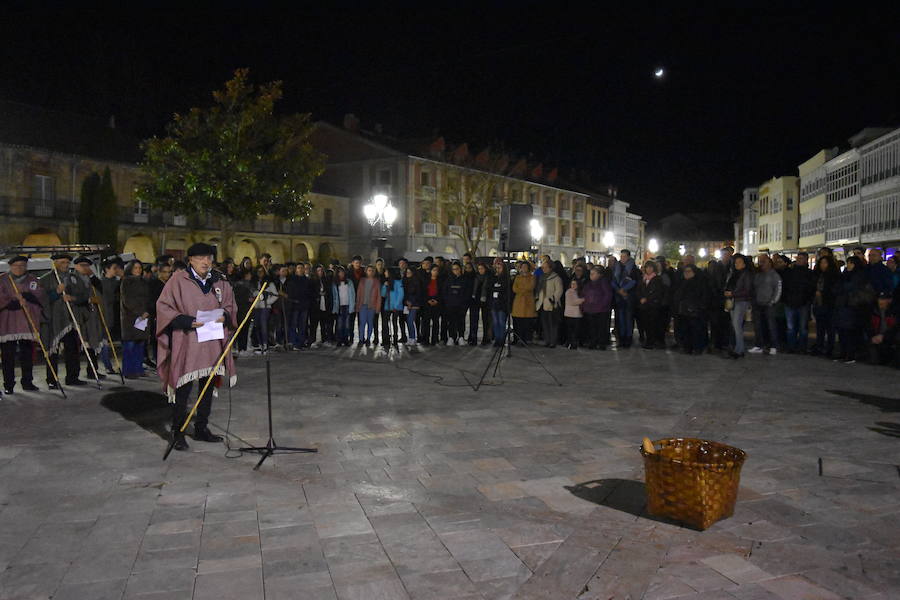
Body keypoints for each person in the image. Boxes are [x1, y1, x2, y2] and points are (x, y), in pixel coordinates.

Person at [156, 242, 236, 451]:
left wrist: (225, 315)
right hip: (187, 340)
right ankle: (178, 431)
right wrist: (186, 321)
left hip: (211, 342)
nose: (206, 262)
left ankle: (201, 428)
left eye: (209, 258)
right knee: (183, 388)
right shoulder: (177, 281)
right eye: (201, 258)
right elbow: (163, 307)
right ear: (190, 260)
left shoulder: (220, 281)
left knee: (207, 387)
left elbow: (230, 305)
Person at [0, 256, 45, 393]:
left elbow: (39, 295)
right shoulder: (3, 280)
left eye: (22, 265)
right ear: (10, 266)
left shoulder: (33, 280)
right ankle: (8, 385)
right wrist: (13, 302)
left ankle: (27, 382)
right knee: (8, 356)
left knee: (27, 355)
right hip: (8, 323)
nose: (19, 268)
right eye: (16, 265)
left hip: (26, 322)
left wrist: (26, 296)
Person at [834, 255, 872, 364]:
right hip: (842, 305)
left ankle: (850, 354)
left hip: (852, 307)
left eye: (850, 263)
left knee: (850, 332)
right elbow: (838, 287)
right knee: (842, 331)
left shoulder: (859, 276)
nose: (848, 265)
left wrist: (843, 288)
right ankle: (843, 352)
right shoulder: (845, 274)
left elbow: (849, 287)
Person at [120, 259, 151, 378]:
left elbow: (148, 297)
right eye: (135, 268)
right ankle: (129, 371)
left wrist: (147, 311)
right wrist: (140, 312)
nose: (138, 270)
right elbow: (127, 300)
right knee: (130, 345)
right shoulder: (126, 282)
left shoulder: (144, 281)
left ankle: (138, 369)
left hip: (144, 317)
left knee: (140, 345)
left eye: (139, 268)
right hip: (131, 317)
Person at [781, 252, 816, 353]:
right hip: (790, 302)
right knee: (791, 327)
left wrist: (807, 300)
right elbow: (785, 286)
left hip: (803, 303)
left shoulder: (809, 273)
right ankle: (791, 347)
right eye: (798, 258)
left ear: (806, 260)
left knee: (802, 328)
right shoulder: (790, 272)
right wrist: (786, 299)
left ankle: (801, 347)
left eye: (801, 259)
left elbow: (811, 288)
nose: (799, 260)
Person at [748, 255, 782, 355]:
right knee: (758, 326)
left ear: (769, 262)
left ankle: (774, 346)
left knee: (771, 326)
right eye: (760, 261)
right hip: (758, 304)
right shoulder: (758, 275)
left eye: (763, 261)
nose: (761, 263)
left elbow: (778, 289)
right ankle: (759, 345)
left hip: (769, 304)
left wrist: (773, 302)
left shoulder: (774, 275)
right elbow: (754, 288)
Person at [672, 264, 709, 354]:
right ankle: (687, 347)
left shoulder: (700, 283)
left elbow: (704, 296)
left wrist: (699, 306)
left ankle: (697, 348)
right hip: (684, 311)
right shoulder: (682, 282)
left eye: (689, 271)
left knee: (696, 330)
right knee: (685, 329)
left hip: (696, 311)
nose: (687, 274)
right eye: (685, 272)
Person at [810, 254, 840, 358]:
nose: (823, 265)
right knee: (820, 328)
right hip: (818, 304)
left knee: (830, 328)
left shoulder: (833, 276)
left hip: (829, 304)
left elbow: (835, 291)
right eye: (821, 263)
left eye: (825, 263)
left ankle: (829, 348)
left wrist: (823, 293)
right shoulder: (817, 275)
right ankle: (819, 346)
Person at [725, 254, 754, 359]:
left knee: (737, 326)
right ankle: (738, 348)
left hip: (741, 301)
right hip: (733, 301)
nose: (737, 264)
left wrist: (733, 294)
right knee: (735, 325)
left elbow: (747, 290)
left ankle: (739, 350)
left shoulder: (746, 274)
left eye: (739, 262)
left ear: (745, 264)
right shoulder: (734, 274)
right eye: (736, 262)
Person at [611, 249, 639, 348]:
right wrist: (618, 290)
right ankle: (621, 338)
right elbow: (613, 280)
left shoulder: (633, 268)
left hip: (629, 296)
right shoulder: (616, 267)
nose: (622, 258)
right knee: (620, 318)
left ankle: (628, 338)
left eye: (624, 256)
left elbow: (635, 281)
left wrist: (624, 289)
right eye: (621, 256)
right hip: (619, 296)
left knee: (628, 318)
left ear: (628, 257)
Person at [581, 266, 613, 350]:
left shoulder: (603, 283)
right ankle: (593, 342)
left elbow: (607, 295)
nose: (591, 276)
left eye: (593, 274)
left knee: (601, 327)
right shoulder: (588, 284)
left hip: (601, 309)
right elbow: (584, 295)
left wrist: (602, 305)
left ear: (599, 275)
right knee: (592, 327)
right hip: (590, 309)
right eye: (590, 274)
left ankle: (601, 343)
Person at [636, 260, 665, 349]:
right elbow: (638, 290)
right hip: (644, 306)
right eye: (647, 267)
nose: (648, 269)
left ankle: (652, 341)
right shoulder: (643, 278)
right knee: (646, 324)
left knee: (653, 324)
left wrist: (647, 298)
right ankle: (648, 340)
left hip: (653, 305)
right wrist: (640, 298)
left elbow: (658, 292)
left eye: (650, 267)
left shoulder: (657, 279)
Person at [536, 258, 563, 348]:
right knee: (545, 323)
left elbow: (559, 290)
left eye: (545, 267)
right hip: (542, 303)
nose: (543, 269)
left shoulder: (556, 278)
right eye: (543, 267)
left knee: (552, 324)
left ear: (550, 268)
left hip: (552, 304)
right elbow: (539, 290)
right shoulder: (542, 278)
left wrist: (553, 299)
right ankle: (547, 340)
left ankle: (552, 341)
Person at [867, 292, 898, 366]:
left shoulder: (894, 311)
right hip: (878, 336)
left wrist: (883, 336)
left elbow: (896, 327)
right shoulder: (874, 311)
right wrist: (873, 336)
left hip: (890, 336)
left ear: (889, 300)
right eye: (880, 299)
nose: (880, 301)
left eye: (883, 299)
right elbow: (869, 326)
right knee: (874, 359)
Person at [355, 265, 382, 347]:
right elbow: (359, 294)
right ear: (366, 271)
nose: (370, 272)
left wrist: (377, 308)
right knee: (362, 323)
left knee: (370, 323)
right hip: (362, 305)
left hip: (372, 306)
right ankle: (361, 339)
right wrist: (357, 305)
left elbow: (379, 296)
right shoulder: (362, 280)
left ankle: (368, 339)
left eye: (372, 270)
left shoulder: (377, 281)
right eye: (369, 270)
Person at [511, 260, 537, 344]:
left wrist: (521, 290)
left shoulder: (532, 277)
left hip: (528, 302)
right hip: (518, 302)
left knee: (527, 322)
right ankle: (517, 338)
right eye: (522, 267)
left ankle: (526, 339)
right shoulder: (518, 277)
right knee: (518, 322)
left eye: (525, 267)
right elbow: (514, 288)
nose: (524, 268)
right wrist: (523, 290)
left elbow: (530, 287)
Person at [442, 262, 468, 345]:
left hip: (461, 305)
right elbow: (444, 292)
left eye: (457, 269)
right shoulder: (448, 280)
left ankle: (461, 337)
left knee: (461, 321)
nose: (455, 271)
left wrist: (464, 303)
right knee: (451, 322)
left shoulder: (464, 279)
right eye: (453, 269)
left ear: (460, 269)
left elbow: (467, 293)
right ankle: (451, 337)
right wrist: (447, 302)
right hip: (450, 305)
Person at [252, 265, 276, 352]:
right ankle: (260, 343)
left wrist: (268, 302)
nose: (260, 273)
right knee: (257, 325)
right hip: (256, 307)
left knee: (263, 325)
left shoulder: (269, 283)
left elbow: (275, 295)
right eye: (258, 271)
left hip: (265, 307)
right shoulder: (255, 283)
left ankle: (265, 343)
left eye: (261, 271)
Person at [469, 262, 493, 345]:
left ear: (485, 269)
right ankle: (473, 338)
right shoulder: (475, 277)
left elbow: (489, 289)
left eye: (482, 268)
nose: (480, 270)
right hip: (476, 300)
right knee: (474, 320)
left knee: (486, 320)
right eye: (479, 269)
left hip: (485, 300)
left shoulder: (489, 277)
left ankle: (486, 338)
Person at [331, 267, 356, 346]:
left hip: (348, 305)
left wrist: (353, 305)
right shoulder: (335, 283)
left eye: (342, 272)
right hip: (339, 306)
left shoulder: (349, 282)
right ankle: (339, 340)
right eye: (339, 272)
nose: (341, 274)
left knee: (347, 324)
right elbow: (334, 295)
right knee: (339, 324)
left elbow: (352, 294)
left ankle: (345, 339)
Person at [489, 260, 510, 347]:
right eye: (496, 268)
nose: (498, 269)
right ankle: (497, 339)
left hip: (502, 304)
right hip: (494, 303)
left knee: (501, 322)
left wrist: (497, 290)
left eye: (499, 268)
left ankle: (501, 339)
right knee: (495, 322)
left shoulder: (506, 279)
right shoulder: (493, 278)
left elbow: (505, 291)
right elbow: (490, 289)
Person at [233, 268, 254, 356]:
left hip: (244, 310)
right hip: (242, 310)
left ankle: (242, 348)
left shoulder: (243, 285)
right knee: (242, 330)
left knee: (243, 330)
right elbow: (240, 298)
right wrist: (248, 299)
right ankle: (241, 348)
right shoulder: (242, 286)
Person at [382, 268, 405, 347]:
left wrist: (396, 306)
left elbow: (401, 295)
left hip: (396, 307)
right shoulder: (387, 282)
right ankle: (386, 339)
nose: (385, 272)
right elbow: (383, 294)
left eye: (386, 271)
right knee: (385, 323)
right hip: (387, 306)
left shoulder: (398, 283)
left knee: (394, 322)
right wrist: (385, 286)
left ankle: (395, 339)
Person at [421, 265, 443, 345]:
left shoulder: (440, 281)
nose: (435, 272)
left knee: (436, 322)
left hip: (437, 304)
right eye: (434, 270)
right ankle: (425, 339)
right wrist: (428, 300)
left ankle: (434, 339)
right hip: (427, 303)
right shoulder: (426, 280)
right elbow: (423, 292)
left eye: (437, 270)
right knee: (426, 322)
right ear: (431, 271)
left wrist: (437, 300)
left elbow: (442, 292)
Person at [402, 266, 423, 345]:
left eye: (409, 272)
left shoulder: (416, 282)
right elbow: (404, 293)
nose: (408, 274)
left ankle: (413, 338)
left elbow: (418, 294)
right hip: (407, 304)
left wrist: (411, 302)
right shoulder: (405, 281)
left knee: (411, 321)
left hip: (414, 304)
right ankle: (410, 337)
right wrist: (406, 301)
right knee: (408, 321)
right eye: (407, 272)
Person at [563, 279, 585, 350]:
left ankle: (574, 343)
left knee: (575, 331)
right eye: (572, 284)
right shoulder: (569, 292)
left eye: (575, 284)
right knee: (570, 330)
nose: (573, 285)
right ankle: (570, 343)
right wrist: (583, 300)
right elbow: (572, 302)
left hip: (577, 314)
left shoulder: (579, 292)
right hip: (570, 314)